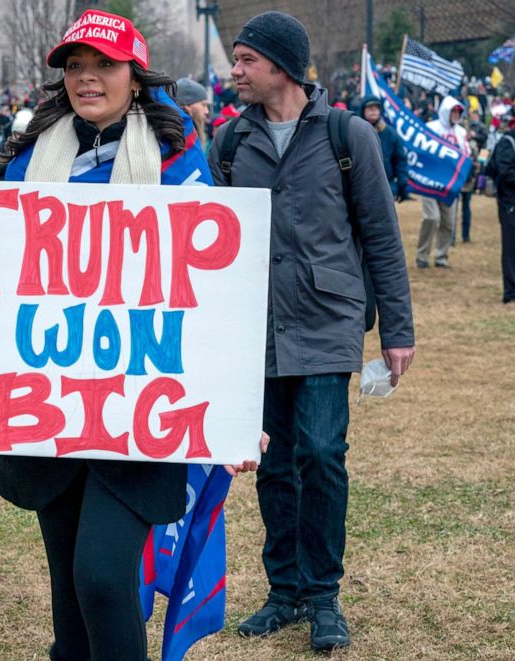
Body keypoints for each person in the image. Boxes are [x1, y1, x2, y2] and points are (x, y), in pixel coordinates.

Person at [0, 10, 263, 660]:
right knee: (69, 587)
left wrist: (234, 410)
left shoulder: (178, 158)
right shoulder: (29, 155)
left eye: (104, 66)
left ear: (135, 77)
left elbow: (212, 293)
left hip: (139, 408)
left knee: (103, 575)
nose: (88, 79)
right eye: (76, 67)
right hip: (51, 404)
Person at [208, 11, 415, 650]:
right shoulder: (228, 143)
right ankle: (285, 592)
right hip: (256, 327)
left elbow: (380, 236)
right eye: (234, 60)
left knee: (322, 454)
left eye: (245, 61)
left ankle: (324, 596)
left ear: (282, 68)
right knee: (271, 462)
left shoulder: (348, 136)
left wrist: (397, 330)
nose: (234, 72)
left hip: (328, 319)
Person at [416, 95, 469, 268]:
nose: (456, 114)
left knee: (448, 222)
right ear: (446, 111)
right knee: (431, 218)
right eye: (453, 110)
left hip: (450, 184)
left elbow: (466, 155)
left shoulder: (461, 133)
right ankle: (422, 255)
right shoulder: (431, 128)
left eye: (458, 111)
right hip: (431, 181)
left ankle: (441, 256)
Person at [485, 112, 515, 304]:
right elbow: (505, 172)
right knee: (511, 247)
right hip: (510, 202)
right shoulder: (508, 142)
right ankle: (511, 292)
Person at [360, 96, 410, 201]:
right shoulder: (355, 132)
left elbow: (400, 159)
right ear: (363, 110)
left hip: (386, 186)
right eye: (370, 108)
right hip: (361, 186)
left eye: (376, 107)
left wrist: (402, 184)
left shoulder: (390, 133)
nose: (373, 110)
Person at [176, 77, 211, 150]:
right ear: (188, 105)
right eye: (203, 105)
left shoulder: (191, 131)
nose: (206, 111)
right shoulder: (180, 136)